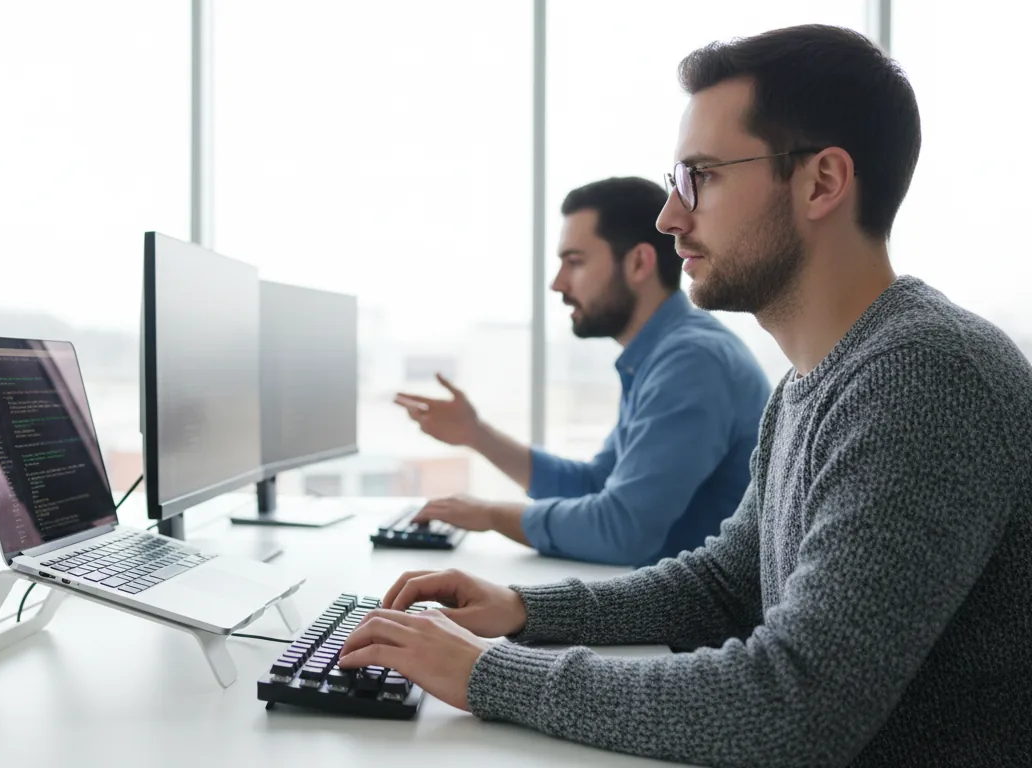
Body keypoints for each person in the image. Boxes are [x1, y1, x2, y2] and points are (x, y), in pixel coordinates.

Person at [342, 24, 1031, 767]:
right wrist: (523, 610)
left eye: (699, 177)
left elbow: (791, 706)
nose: (671, 217)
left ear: (822, 182)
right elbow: (725, 585)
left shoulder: (923, 376)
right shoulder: (812, 379)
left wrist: (486, 672)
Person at [395, 177, 769, 566]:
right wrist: (476, 434)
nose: (557, 284)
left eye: (574, 262)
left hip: (701, 622)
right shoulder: (663, 355)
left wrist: (490, 515)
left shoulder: (692, 363)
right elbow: (595, 485)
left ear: (639, 263)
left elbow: (621, 529)